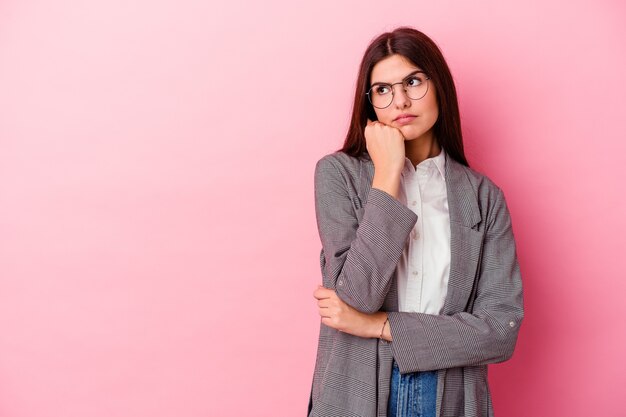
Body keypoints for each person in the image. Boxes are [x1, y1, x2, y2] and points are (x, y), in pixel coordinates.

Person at [308, 27, 524, 417]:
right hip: (355, 390)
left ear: (438, 84)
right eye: (383, 90)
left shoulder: (483, 196)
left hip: (450, 392)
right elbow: (354, 296)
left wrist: (378, 326)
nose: (401, 101)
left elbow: (499, 331)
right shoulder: (338, 175)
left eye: (413, 81)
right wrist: (388, 174)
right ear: (370, 102)